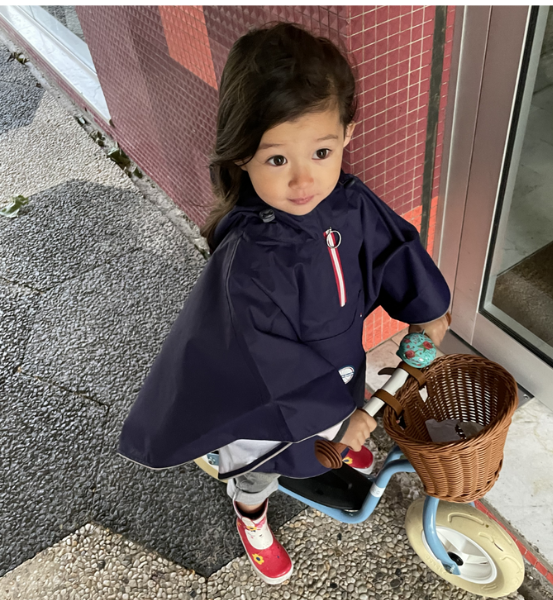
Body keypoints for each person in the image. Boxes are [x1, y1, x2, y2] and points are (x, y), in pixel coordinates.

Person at [118, 22, 450, 585]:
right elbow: (262, 364)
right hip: (276, 407)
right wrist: (344, 422)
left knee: (344, 404)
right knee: (265, 470)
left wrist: (427, 309)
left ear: (347, 134)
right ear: (242, 156)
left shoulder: (349, 202)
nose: (303, 179)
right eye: (276, 160)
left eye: (321, 151)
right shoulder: (249, 259)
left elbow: (395, 253)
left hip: (338, 371)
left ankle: (337, 428)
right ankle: (251, 515)